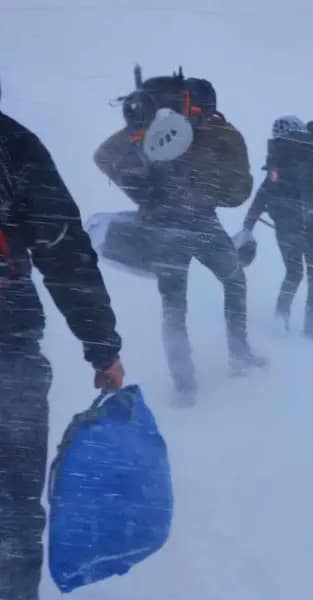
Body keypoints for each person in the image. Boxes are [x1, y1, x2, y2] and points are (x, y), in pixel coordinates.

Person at [1, 88, 124, 600]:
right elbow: (64, 249)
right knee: (13, 511)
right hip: (7, 345)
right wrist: (103, 349)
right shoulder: (11, 142)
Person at [94, 68, 263, 405]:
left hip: (166, 226)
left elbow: (104, 156)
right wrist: (206, 190)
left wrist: (143, 193)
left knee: (174, 306)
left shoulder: (155, 126)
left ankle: (186, 386)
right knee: (230, 282)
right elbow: (240, 191)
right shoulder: (217, 132)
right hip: (199, 224)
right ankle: (237, 356)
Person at [243, 117, 313, 338]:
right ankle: (311, 328)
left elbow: (265, 190)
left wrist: (248, 224)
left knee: (293, 273)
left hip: (287, 225)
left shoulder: (284, 157)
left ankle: (281, 316)